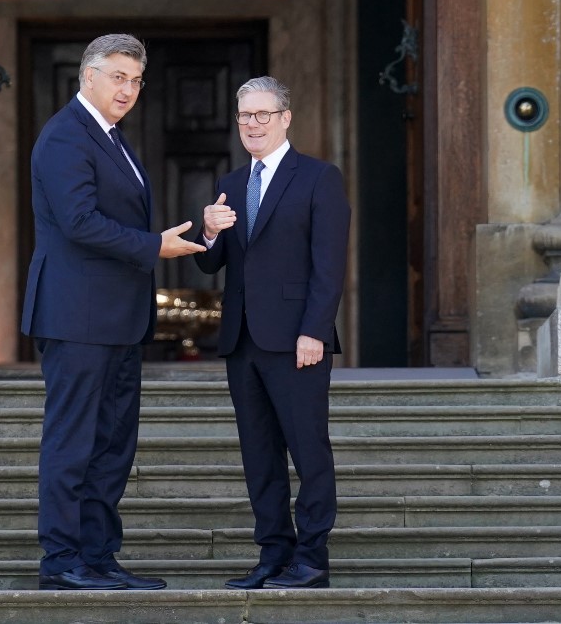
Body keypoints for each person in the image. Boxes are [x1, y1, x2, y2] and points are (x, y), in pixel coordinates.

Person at [21, 33, 205, 591]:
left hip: (117, 320)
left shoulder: (111, 139)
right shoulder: (64, 137)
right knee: (74, 442)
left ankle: (98, 556)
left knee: (110, 445)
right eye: (117, 76)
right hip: (77, 319)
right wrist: (155, 247)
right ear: (88, 77)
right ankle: (62, 561)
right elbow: (78, 223)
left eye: (135, 80)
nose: (128, 89)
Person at [194, 76, 350, 589]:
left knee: (308, 450)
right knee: (259, 454)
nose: (252, 125)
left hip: (297, 341)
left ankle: (311, 558)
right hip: (242, 341)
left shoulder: (319, 178)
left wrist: (315, 331)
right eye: (244, 116)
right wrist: (211, 231)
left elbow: (328, 266)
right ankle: (272, 554)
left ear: (285, 118)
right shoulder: (233, 182)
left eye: (263, 115)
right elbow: (213, 263)